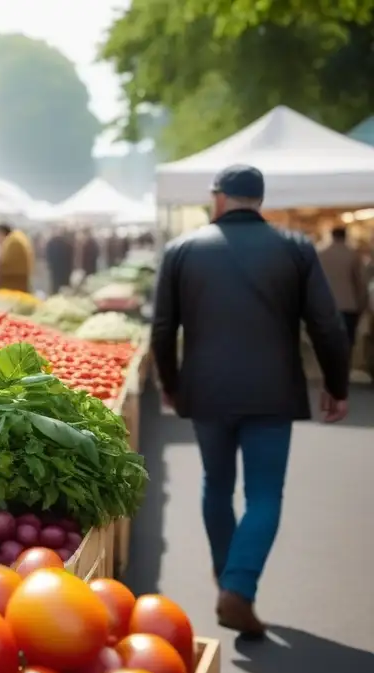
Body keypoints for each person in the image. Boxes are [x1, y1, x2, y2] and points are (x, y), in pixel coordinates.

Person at [151, 164, 350, 638]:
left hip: (206, 390)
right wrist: (337, 386)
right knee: (264, 493)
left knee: (216, 484)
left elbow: (162, 328)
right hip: (272, 390)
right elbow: (326, 324)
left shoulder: (182, 249)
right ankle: (238, 587)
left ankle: (229, 578)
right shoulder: (296, 248)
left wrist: (171, 382)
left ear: (218, 197)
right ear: (259, 199)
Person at [317, 227, 367, 354]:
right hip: (349, 305)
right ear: (345, 236)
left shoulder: (321, 255)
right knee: (347, 341)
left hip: (326, 306)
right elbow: (360, 283)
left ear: (331, 236)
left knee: (328, 342)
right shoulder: (353, 255)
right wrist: (362, 305)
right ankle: (345, 368)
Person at [0, 223, 34, 292]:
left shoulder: (13, 242)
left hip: (14, 286)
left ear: (2, 233)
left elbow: (5, 264)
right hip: (20, 283)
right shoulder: (16, 238)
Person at [45, 227, 74, 294]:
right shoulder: (68, 243)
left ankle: (54, 296)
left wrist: (50, 265)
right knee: (65, 287)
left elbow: (48, 255)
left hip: (55, 269)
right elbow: (71, 258)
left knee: (55, 286)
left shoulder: (51, 242)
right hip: (65, 270)